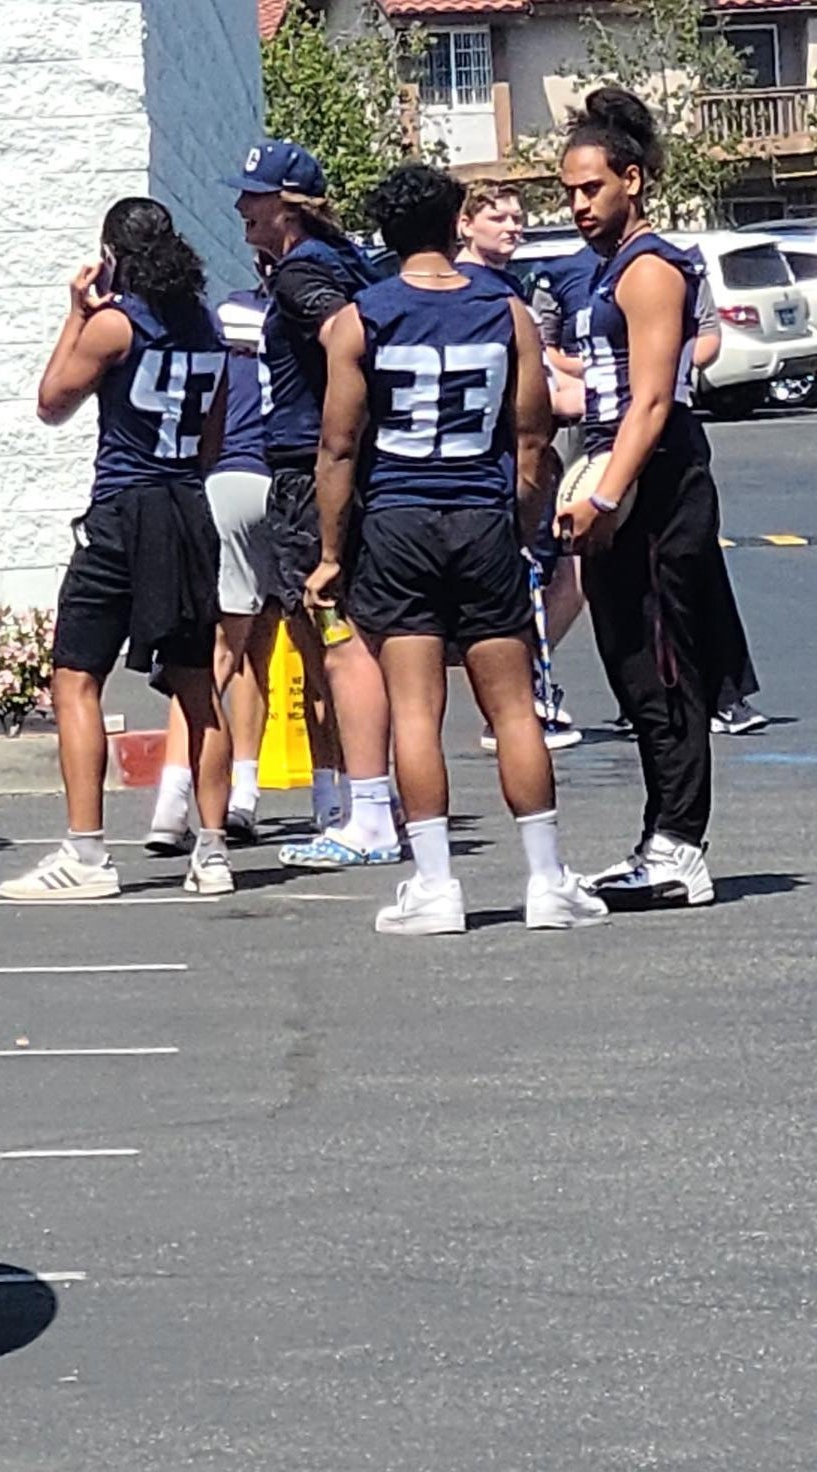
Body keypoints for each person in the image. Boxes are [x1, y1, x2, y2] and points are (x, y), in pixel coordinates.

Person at [309, 164, 606, 936]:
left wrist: (333, 550)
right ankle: (546, 879)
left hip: (399, 522)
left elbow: (339, 449)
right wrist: (520, 522)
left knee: (416, 709)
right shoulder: (507, 312)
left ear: (385, 235)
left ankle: (436, 885)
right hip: (480, 514)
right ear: (452, 227)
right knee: (513, 707)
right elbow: (534, 435)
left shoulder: (357, 319)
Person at [0, 198, 229, 902]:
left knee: (77, 676)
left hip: (127, 508)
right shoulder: (208, 327)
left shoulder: (114, 325)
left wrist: (76, 310)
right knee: (197, 683)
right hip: (189, 504)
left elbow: (52, 401)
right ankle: (214, 851)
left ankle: (87, 852)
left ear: (112, 254)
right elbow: (214, 439)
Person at [556, 88, 730, 907]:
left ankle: (679, 848)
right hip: (618, 474)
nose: (578, 205)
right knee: (630, 667)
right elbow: (603, 388)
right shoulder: (607, 272)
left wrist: (608, 492)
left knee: (664, 668)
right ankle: (659, 837)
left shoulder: (651, 268)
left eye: (590, 188)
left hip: (658, 486)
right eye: (567, 192)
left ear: (631, 179)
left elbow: (654, 401)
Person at [227, 140, 397, 874]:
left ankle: (367, 814)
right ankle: (363, 803)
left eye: (255, 197)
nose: (242, 207)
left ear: (288, 208)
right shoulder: (342, 264)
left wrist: (337, 431)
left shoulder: (304, 276)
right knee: (356, 638)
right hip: (350, 466)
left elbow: (342, 337)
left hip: (311, 470)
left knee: (336, 637)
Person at [146, 278, 282, 852]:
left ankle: (173, 803)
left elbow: (208, 429)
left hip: (226, 481)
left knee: (210, 662)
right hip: (283, 481)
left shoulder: (218, 352)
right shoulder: (300, 346)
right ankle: (251, 794)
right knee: (261, 647)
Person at [457, 185, 583, 756]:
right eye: (497, 217)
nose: (513, 226)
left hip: (524, 458)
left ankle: (525, 684)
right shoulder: (479, 294)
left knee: (566, 573)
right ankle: (513, 701)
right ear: (465, 225)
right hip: (499, 464)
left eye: (518, 217)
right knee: (529, 581)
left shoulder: (511, 288)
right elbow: (538, 397)